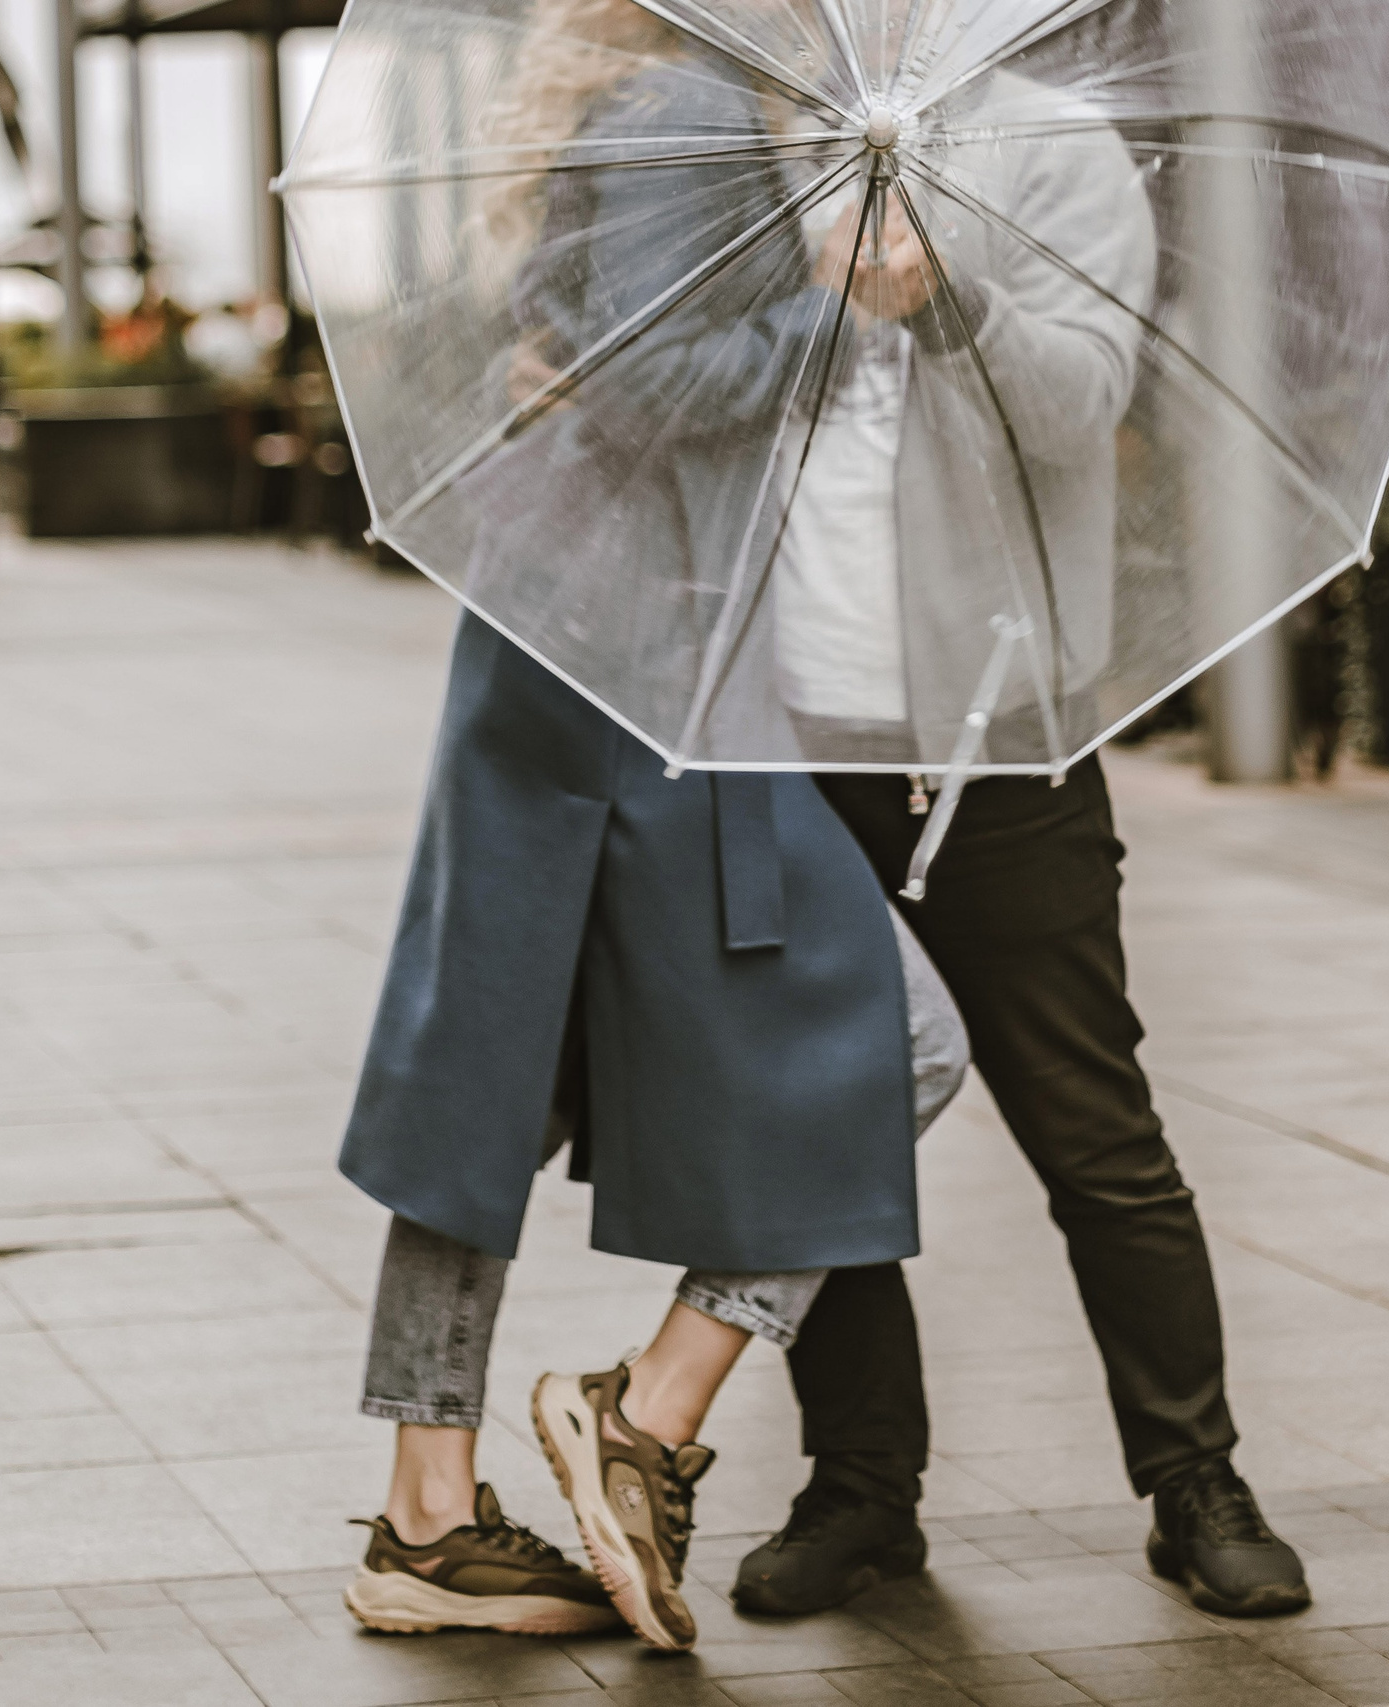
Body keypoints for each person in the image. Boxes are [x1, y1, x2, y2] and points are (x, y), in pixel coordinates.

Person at [339, 0, 969, 1654]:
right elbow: (652, 370)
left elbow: (584, 342)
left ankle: (425, 1511)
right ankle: (648, 1411)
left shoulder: (650, 93)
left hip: (582, 639)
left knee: (497, 1056)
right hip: (643, 664)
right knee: (898, 1031)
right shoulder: (690, 104)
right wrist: (835, 300)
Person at [717, 76, 1315, 1622]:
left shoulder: (1053, 148)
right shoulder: (757, 149)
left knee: (1091, 1126)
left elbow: (1079, 400)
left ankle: (1196, 1477)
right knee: (816, 1132)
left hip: (993, 732)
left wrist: (939, 293)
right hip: (787, 740)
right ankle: (861, 1485)